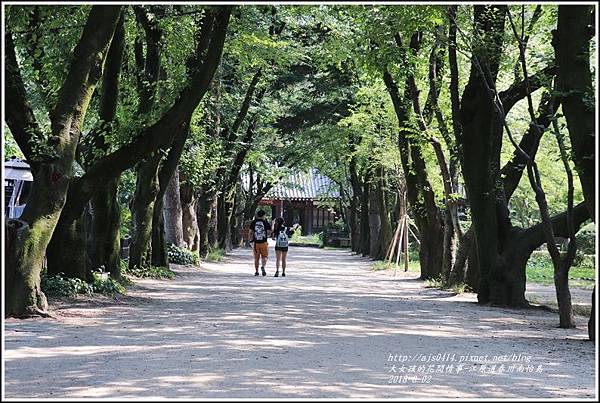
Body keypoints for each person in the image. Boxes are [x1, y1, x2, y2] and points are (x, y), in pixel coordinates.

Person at [249, 210, 271, 276]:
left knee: (256, 258)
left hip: (256, 243)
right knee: (265, 257)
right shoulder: (265, 222)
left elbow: (250, 232)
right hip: (264, 242)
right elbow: (269, 232)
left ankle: (256, 271)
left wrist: (250, 240)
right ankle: (263, 267)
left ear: (257, 215)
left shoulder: (254, 222)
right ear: (263, 215)